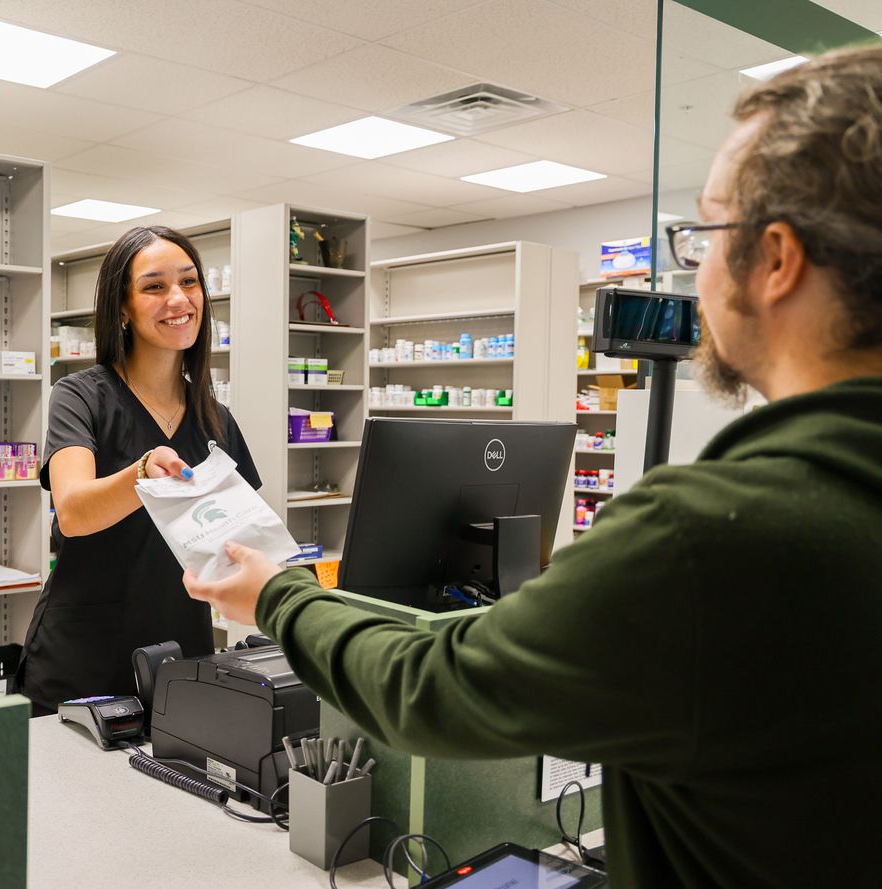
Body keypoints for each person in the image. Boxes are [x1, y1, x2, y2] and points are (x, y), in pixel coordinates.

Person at [184, 44, 882, 889]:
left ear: (775, 259)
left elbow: (434, 688)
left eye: (706, 235)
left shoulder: (709, 539)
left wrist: (277, 594)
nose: (694, 276)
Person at [18, 226, 260, 715]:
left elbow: (243, 537)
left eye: (190, 283)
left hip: (181, 656)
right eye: (154, 286)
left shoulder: (214, 417)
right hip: (83, 656)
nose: (179, 299)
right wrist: (143, 472)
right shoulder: (80, 396)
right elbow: (73, 513)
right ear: (122, 308)